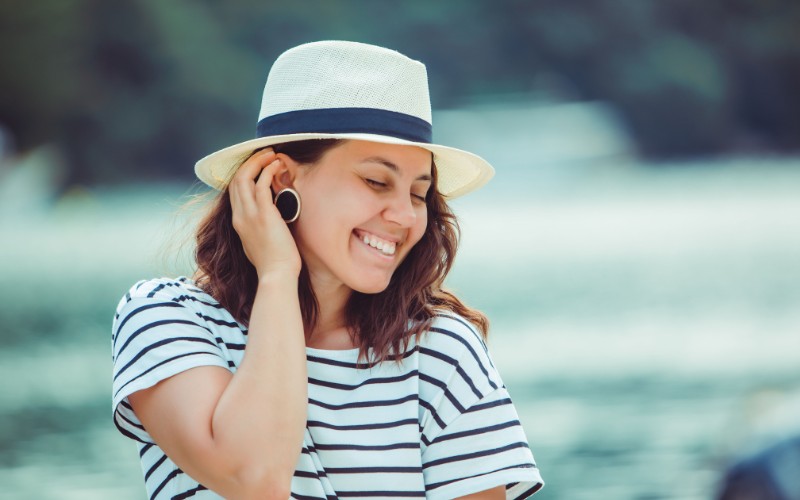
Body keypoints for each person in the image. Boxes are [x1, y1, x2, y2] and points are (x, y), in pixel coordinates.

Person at [111, 40, 543, 499]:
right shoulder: (167, 318)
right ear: (280, 181)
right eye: (376, 181)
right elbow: (252, 479)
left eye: (418, 193)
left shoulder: (441, 350)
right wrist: (277, 273)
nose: (405, 216)